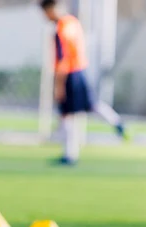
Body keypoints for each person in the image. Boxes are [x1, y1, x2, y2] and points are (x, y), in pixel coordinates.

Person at [39, 0, 126, 165]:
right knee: (91, 104)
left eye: (45, 12)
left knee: (67, 113)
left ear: (51, 9)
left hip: (68, 74)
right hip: (80, 71)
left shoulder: (60, 29)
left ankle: (69, 155)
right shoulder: (73, 22)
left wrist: (58, 86)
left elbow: (62, 59)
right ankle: (117, 123)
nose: (45, 16)